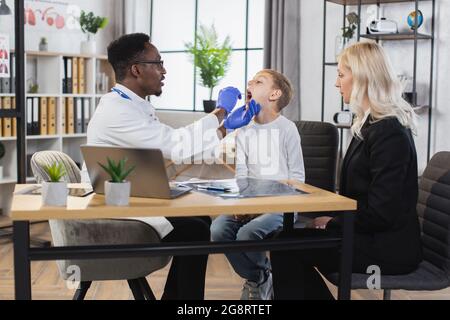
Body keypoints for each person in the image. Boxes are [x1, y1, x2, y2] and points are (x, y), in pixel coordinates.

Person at [87, 33, 260, 299]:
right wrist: (220, 112)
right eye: (157, 62)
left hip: (136, 199)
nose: (163, 70)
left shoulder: (132, 105)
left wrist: (223, 128)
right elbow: (175, 145)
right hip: (121, 217)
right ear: (136, 69)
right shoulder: (117, 111)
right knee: (196, 229)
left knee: (199, 220)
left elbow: (171, 146)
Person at [270, 42, 423, 299]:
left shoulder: (389, 132)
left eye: (341, 74)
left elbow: (382, 213)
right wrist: (332, 219)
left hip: (387, 249)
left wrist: (333, 222)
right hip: (368, 235)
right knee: (283, 239)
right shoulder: (369, 125)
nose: (336, 83)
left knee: (285, 246)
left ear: (363, 77)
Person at [211, 69, 305, 300]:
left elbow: (297, 177)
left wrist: (262, 206)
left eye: (258, 81)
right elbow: (242, 175)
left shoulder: (287, 129)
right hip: (249, 202)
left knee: (247, 234)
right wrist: (243, 205)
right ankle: (261, 277)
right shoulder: (243, 129)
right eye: (251, 80)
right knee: (218, 231)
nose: (249, 83)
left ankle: (257, 279)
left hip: (283, 206)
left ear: (274, 94)